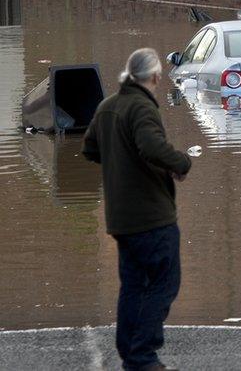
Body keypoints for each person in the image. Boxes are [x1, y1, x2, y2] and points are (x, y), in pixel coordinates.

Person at [83, 48, 192, 371]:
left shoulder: (107, 107)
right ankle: (143, 355)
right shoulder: (142, 107)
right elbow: (151, 146)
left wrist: (121, 164)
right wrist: (181, 163)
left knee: (132, 286)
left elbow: (90, 149)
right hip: (151, 216)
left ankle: (130, 353)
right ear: (156, 76)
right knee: (164, 284)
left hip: (122, 219)